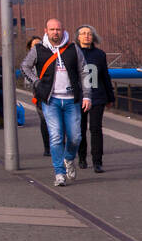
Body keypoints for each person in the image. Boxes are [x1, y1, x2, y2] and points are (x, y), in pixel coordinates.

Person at [21, 18, 90, 187]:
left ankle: (68, 159)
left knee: (75, 137)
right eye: (51, 29)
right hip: (51, 100)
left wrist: (87, 95)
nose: (55, 32)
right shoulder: (39, 49)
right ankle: (59, 173)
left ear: (63, 29)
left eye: (57, 29)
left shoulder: (73, 49)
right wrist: (36, 82)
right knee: (56, 136)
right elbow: (25, 66)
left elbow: (84, 71)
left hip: (71, 100)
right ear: (46, 30)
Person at [76, 25, 115, 173]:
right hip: (78, 97)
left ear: (93, 37)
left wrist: (110, 97)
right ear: (78, 37)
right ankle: (81, 157)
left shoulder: (99, 54)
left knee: (95, 128)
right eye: (83, 33)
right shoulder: (73, 53)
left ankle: (97, 161)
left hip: (97, 96)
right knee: (79, 129)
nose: (86, 36)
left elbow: (105, 75)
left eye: (89, 34)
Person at [26, 35, 50, 156]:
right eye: (34, 45)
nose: (37, 47)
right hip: (40, 92)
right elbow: (27, 76)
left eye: (39, 44)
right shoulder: (30, 61)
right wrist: (37, 82)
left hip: (52, 91)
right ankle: (47, 147)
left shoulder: (48, 56)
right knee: (44, 119)